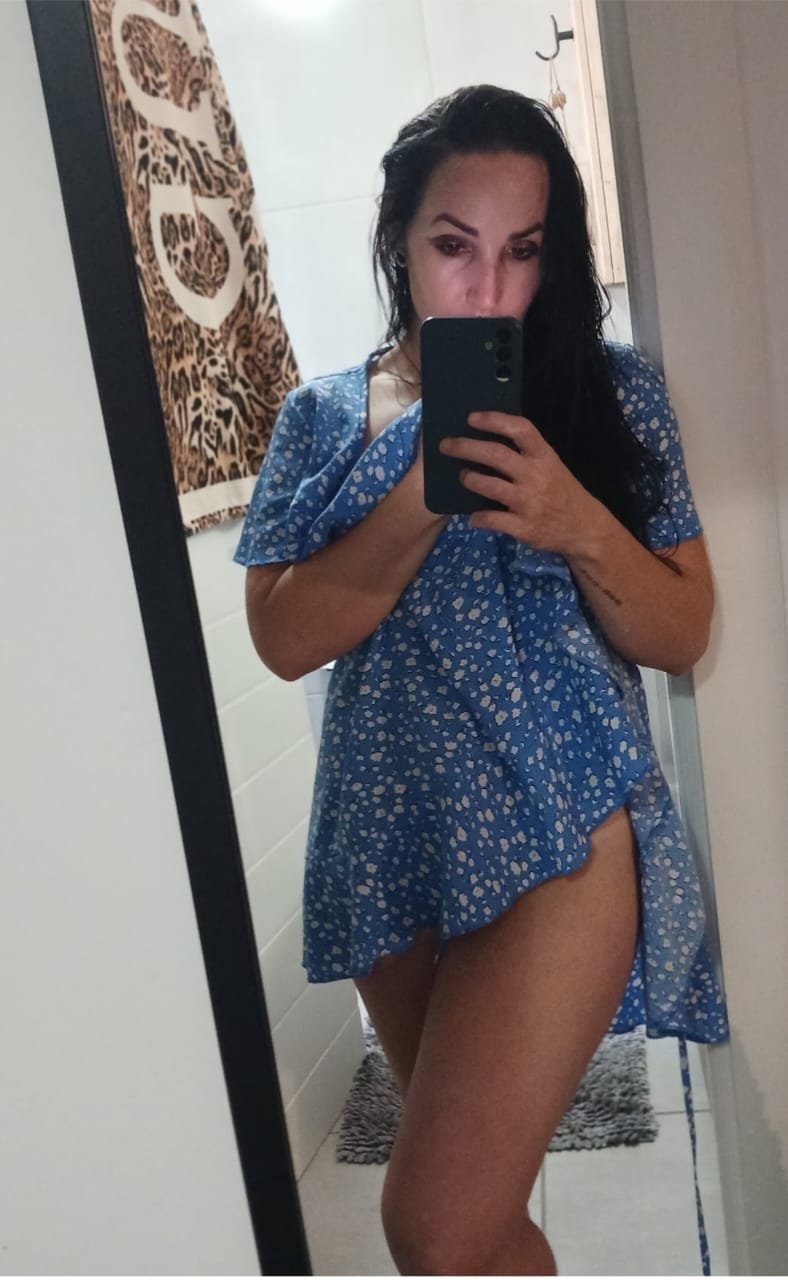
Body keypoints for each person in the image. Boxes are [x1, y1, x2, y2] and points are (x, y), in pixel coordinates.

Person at [234, 85, 730, 1277]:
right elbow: (284, 639)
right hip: (390, 831)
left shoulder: (610, 393)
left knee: (432, 1223)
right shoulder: (322, 419)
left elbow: (679, 627)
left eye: (521, 251)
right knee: (481, 1221)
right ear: (398, 241)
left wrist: (573, 519)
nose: (487, 287)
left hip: (560, 822)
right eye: (453, 246)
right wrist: (419, 484)